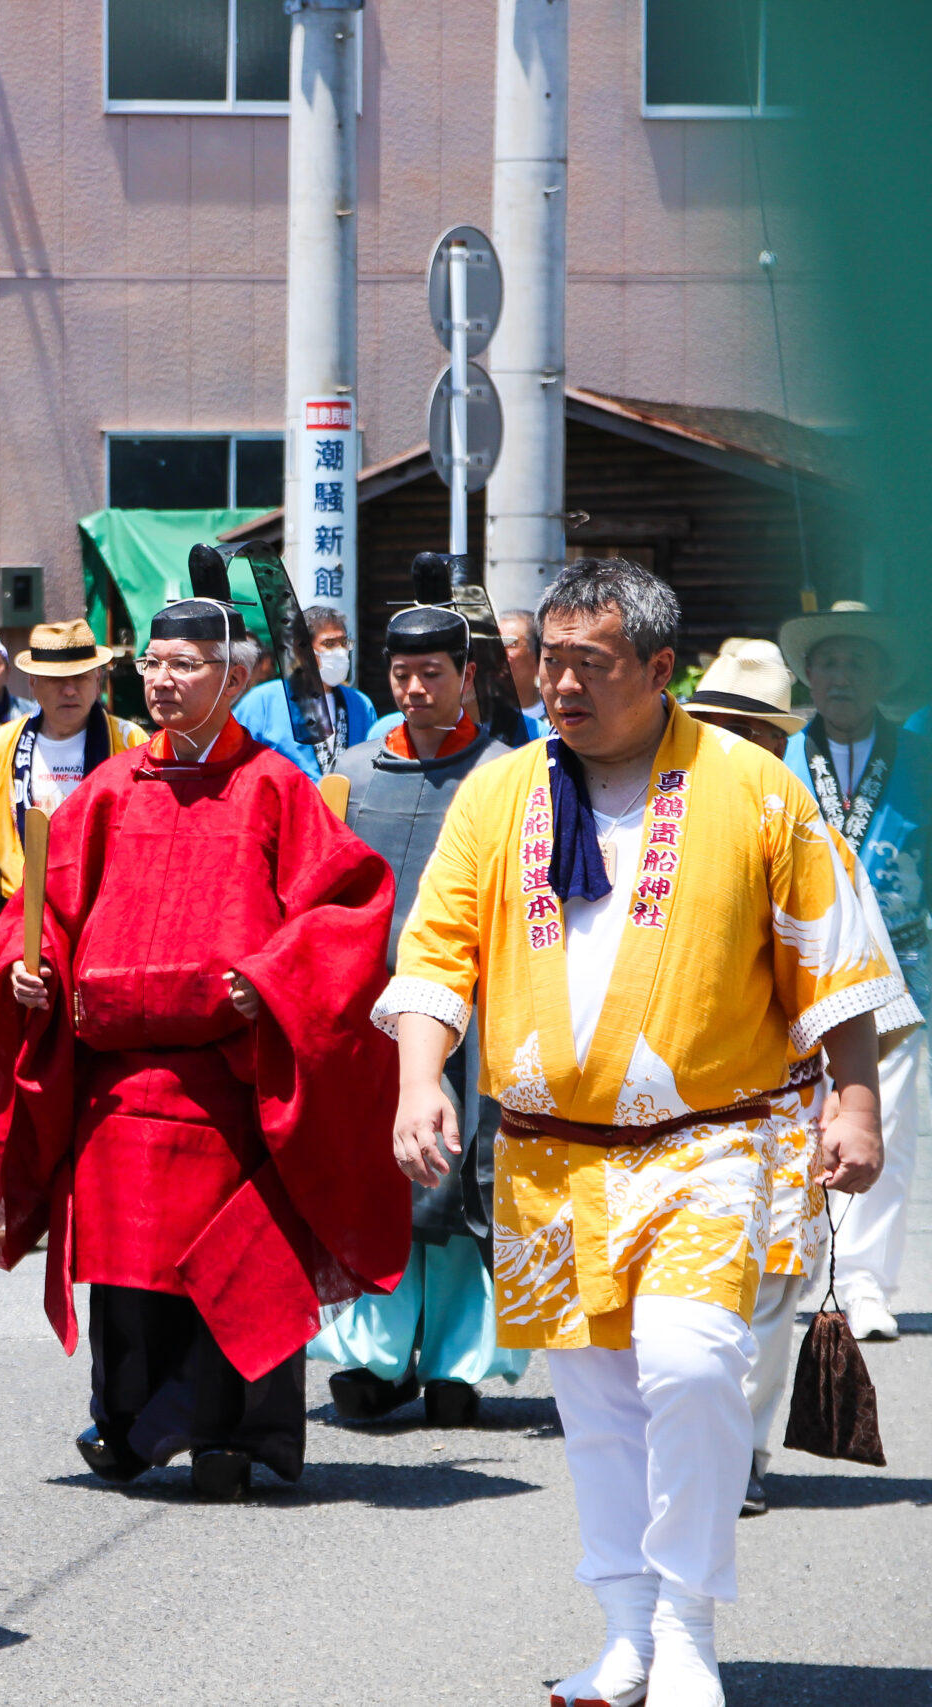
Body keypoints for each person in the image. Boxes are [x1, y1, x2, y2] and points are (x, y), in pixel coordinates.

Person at [381, 560, 895, 1707]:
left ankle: (688, 1626)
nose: (560, 686)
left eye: (589, 665)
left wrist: (853, 1102)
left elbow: (836, 953)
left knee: (691, 1365)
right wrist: (421, 1077)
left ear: (661, 670)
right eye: (547, 661)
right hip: (547, 1155)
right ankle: (623, 1632)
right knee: (597, 1404)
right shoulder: (501, 791)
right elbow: (435, 952)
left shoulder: (755, 790)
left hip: (711, 1141)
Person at [0, 558, 407, 1501]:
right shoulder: (112, 789)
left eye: (185, 665)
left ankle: (238, 1437)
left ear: (233, 677)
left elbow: (347, 906)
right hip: (121, 1078)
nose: (161, 680)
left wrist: (272, 977)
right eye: (154, 664)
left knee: (237, 1256)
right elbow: (41, 910)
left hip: (228, 1074)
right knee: (126, 1270)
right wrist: (27, 967)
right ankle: (128, 1428)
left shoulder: (276, 787)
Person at [677, 639, 917, 1516]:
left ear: (779, 743)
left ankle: (736, 1457)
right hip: (667, 1115)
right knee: (681, 1295)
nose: (729, 743)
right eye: (714, 725)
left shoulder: (820, 847)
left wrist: (847, 1110)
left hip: (782, 1113)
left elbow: (875, 1007)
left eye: (750, 730)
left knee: (770, 1293)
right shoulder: (648, 835)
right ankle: (680, 1449)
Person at [310, 600, 529, 1426]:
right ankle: (372, 1352)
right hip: (375, 1016)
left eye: (430, 674)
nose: (412, 690)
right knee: (381, 1179)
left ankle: (458, 1362)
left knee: (467, 1182)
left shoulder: (513, 770)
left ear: (468, 676)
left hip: (482, 1006)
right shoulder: (354, 770)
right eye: (399, 675)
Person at [779, 601, 929, 1344]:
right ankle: (805, 1264)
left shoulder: (921, 760)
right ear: (809, 675)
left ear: (881, 677)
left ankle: (865, 1280)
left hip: (900, 970)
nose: (841, 676)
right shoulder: (774, 765)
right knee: (799, 1122)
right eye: (830, 662)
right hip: (799, 973)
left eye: (858, 664)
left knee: (888, 1124)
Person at [0, 620, 145, 976]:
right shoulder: (2, 745)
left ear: (98, 681)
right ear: (33, 684)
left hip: (103, 912)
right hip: (23, 914)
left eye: (81, 678)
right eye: (56, 680)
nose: (69, 690)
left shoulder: (129, 740)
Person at [233, 603, 376, 780]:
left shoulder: (360, 704)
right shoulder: (263, 701)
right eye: (329, 644)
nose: (340, 652)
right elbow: (235, 762)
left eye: (344, 643)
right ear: (300, 650)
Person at [501, 607, 551, 738]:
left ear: (538, 655)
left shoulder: (557, 715)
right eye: (496, 643)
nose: (500, 653)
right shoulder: (480, 716)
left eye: (511, 644)